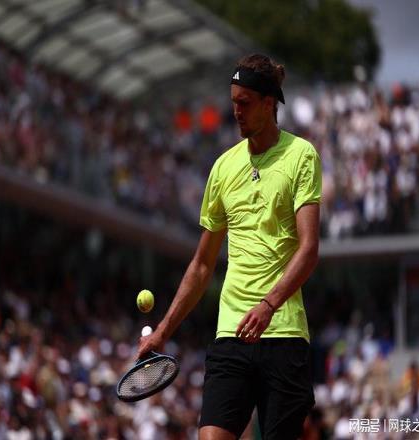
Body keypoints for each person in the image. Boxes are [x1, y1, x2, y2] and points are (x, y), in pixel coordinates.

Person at [138, 53, 321, 440]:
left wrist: (268, 306)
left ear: (269, 104)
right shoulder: (222, 168)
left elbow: (309, 250)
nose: (236, 112)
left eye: (245, 103)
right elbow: (202, 264)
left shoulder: (302, 156)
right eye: (233, 102)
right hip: (231, 334)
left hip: (283, 334)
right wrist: (163, 331)